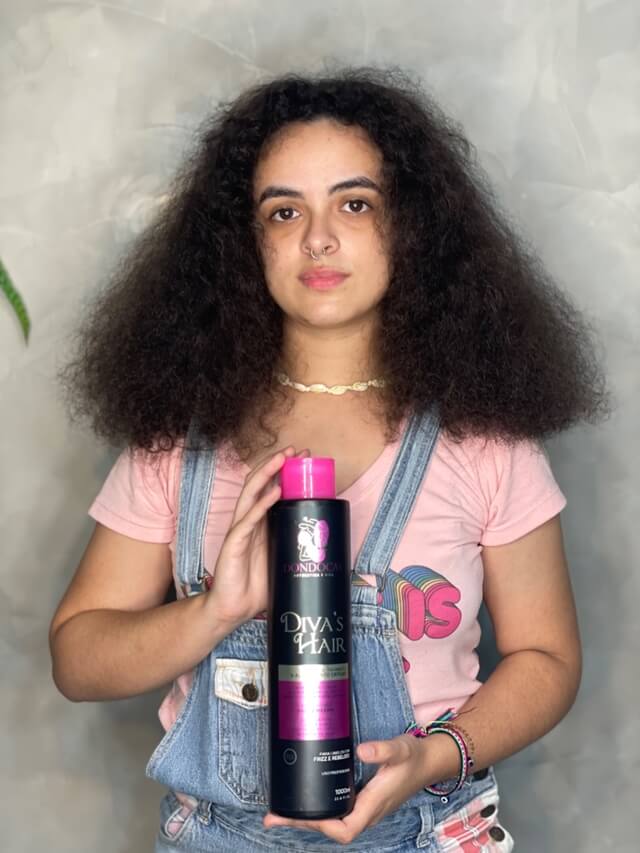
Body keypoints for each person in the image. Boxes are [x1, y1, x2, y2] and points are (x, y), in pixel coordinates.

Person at [50, 67, 608, 851]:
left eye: (355, 203)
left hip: (427, 828)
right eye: (284, 211)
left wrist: (432, 756)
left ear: (410, 226)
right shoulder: (178, 444)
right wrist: (214, 611)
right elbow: (78, 659)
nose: (318, 238)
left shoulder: (485, 441)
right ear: (242, 243)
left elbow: (547, 658)